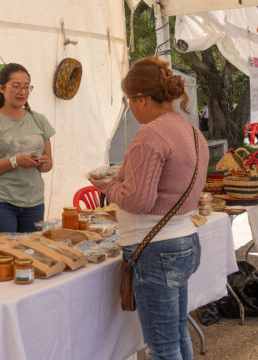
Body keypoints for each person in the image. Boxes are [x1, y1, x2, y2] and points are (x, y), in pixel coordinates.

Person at [90, 56, 209, 359]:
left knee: (162, 346)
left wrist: (107, 185)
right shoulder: (191, 131)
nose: (129, 107)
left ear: (141, 99)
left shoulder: (151, 133)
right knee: (178, 334)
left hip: (155, 247)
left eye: (128, 100)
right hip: (182, 239)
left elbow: (139, 201)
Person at [0, 63, 55, 234]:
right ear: (1, 88)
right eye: (16, 87)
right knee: (5, 256)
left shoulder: (39, 120)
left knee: (32, 254)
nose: (22, 92)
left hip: (34, 202)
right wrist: (14, 162)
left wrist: (45, 164)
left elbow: (48, 162)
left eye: (26, 87)